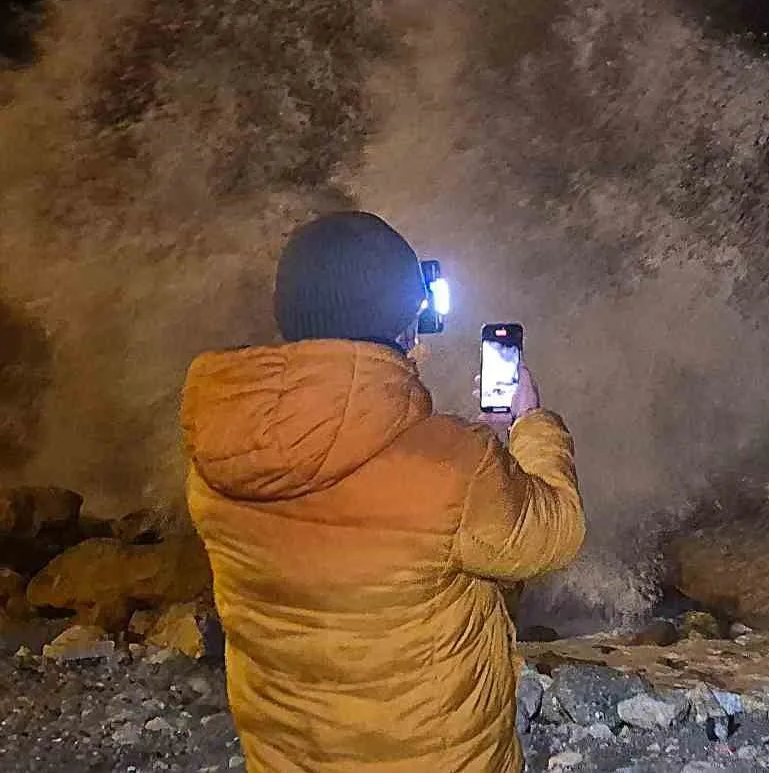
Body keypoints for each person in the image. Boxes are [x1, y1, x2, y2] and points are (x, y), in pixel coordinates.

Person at [178, 211, 586, 773]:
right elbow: (554, 532)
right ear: (408, 325)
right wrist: (530, 424)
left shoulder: (221, 452)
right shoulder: (453, 465)